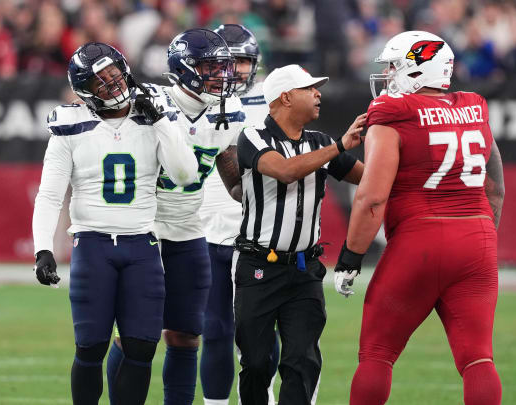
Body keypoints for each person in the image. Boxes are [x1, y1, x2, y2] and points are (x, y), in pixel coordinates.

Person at [335, 31, 505, 405]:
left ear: (417, 69)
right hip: (477, 236)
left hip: (420, 238)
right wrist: (479, 238)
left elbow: (371, 197)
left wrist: (350, 256)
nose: (389, 74)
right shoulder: (474, 106)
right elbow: (496, 187)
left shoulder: (393, 113)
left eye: (395, 66)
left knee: (377, 352)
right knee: (478, 357)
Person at [32, 42, 199, 405]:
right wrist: (43, 247)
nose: (112, 85)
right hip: (92, 245)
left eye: (113, 75)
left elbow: (186, 175)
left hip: (142, 244)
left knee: (141, 347)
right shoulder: (70, 126)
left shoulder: (153, 116)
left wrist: (162, 123)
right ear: (85, 92)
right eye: (100, 82)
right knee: (90, 347)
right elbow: (49, 195)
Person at [104, 28, 245, 405]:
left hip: (188, 231)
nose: (222, 76)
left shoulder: (229, 111)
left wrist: (269, 194)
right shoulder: (148, 102)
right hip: (143, 230)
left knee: (185, 335)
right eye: (211, 68)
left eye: (223, 68)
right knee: (135, 336)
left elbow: (232, 179)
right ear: (185, 69)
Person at [234, 64, 366, 405]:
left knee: (302, 361)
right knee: (257, 363)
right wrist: (339, 146)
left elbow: (367, 178)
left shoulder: (318, 142)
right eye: (310, 89)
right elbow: (285, 171)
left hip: (305, 269)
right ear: (286, 97)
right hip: (259, 267)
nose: (318, 93)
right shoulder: (253, 137)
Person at [199, 24, 277, 405]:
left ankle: (264, 397)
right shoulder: (194, 99)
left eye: (242, 61)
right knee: (214, 330)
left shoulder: (275, 100)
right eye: (226, 61)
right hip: (205, 230)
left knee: (261, 332)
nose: (234, 70)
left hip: (258, 232)